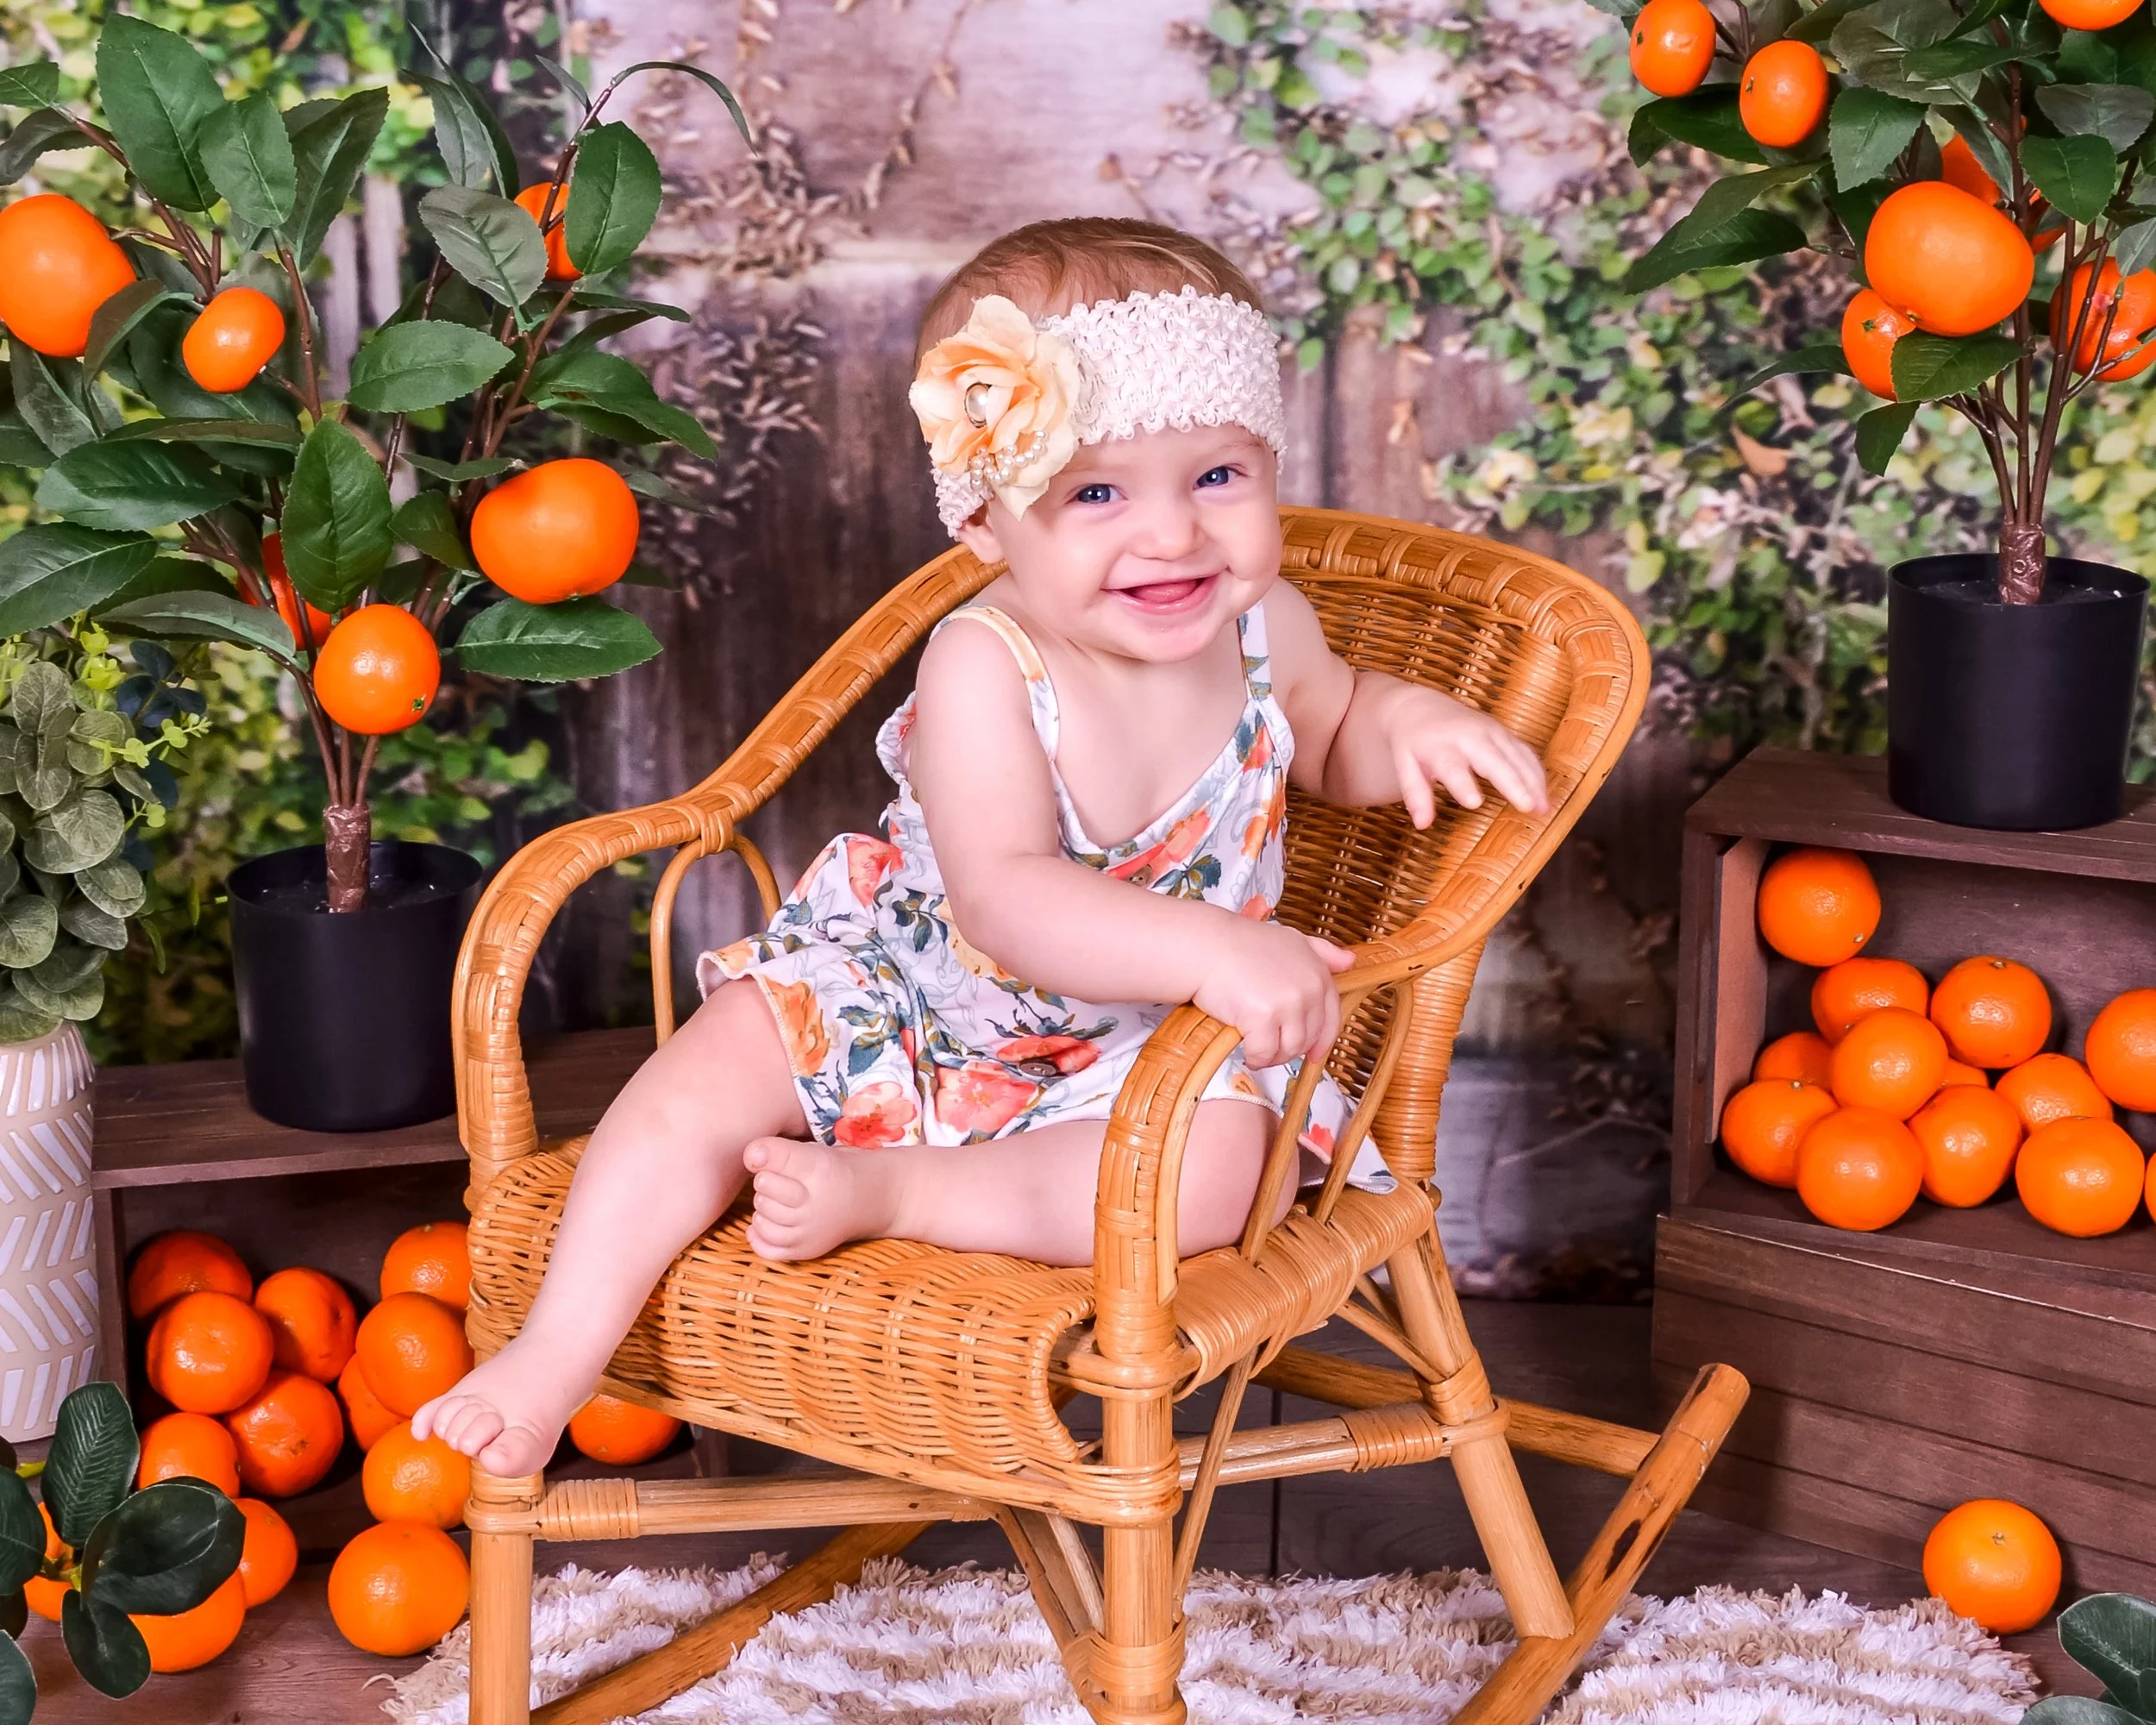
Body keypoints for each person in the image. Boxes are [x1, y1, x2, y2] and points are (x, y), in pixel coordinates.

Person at [415, 216, 1550, 1477]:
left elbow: (1327, 728)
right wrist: (1216, 947)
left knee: (1235, 1176)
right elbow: (1007, 896)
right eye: (1098, 494)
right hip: (927, 991)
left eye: (1219, 478)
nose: (1173, 535)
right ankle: (558, 1351)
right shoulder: (984, 660)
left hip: (1144, 1055)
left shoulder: (1263, 623)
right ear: (989, 529)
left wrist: (1405, 720)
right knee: (708, 1071)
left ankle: (898, 1195)